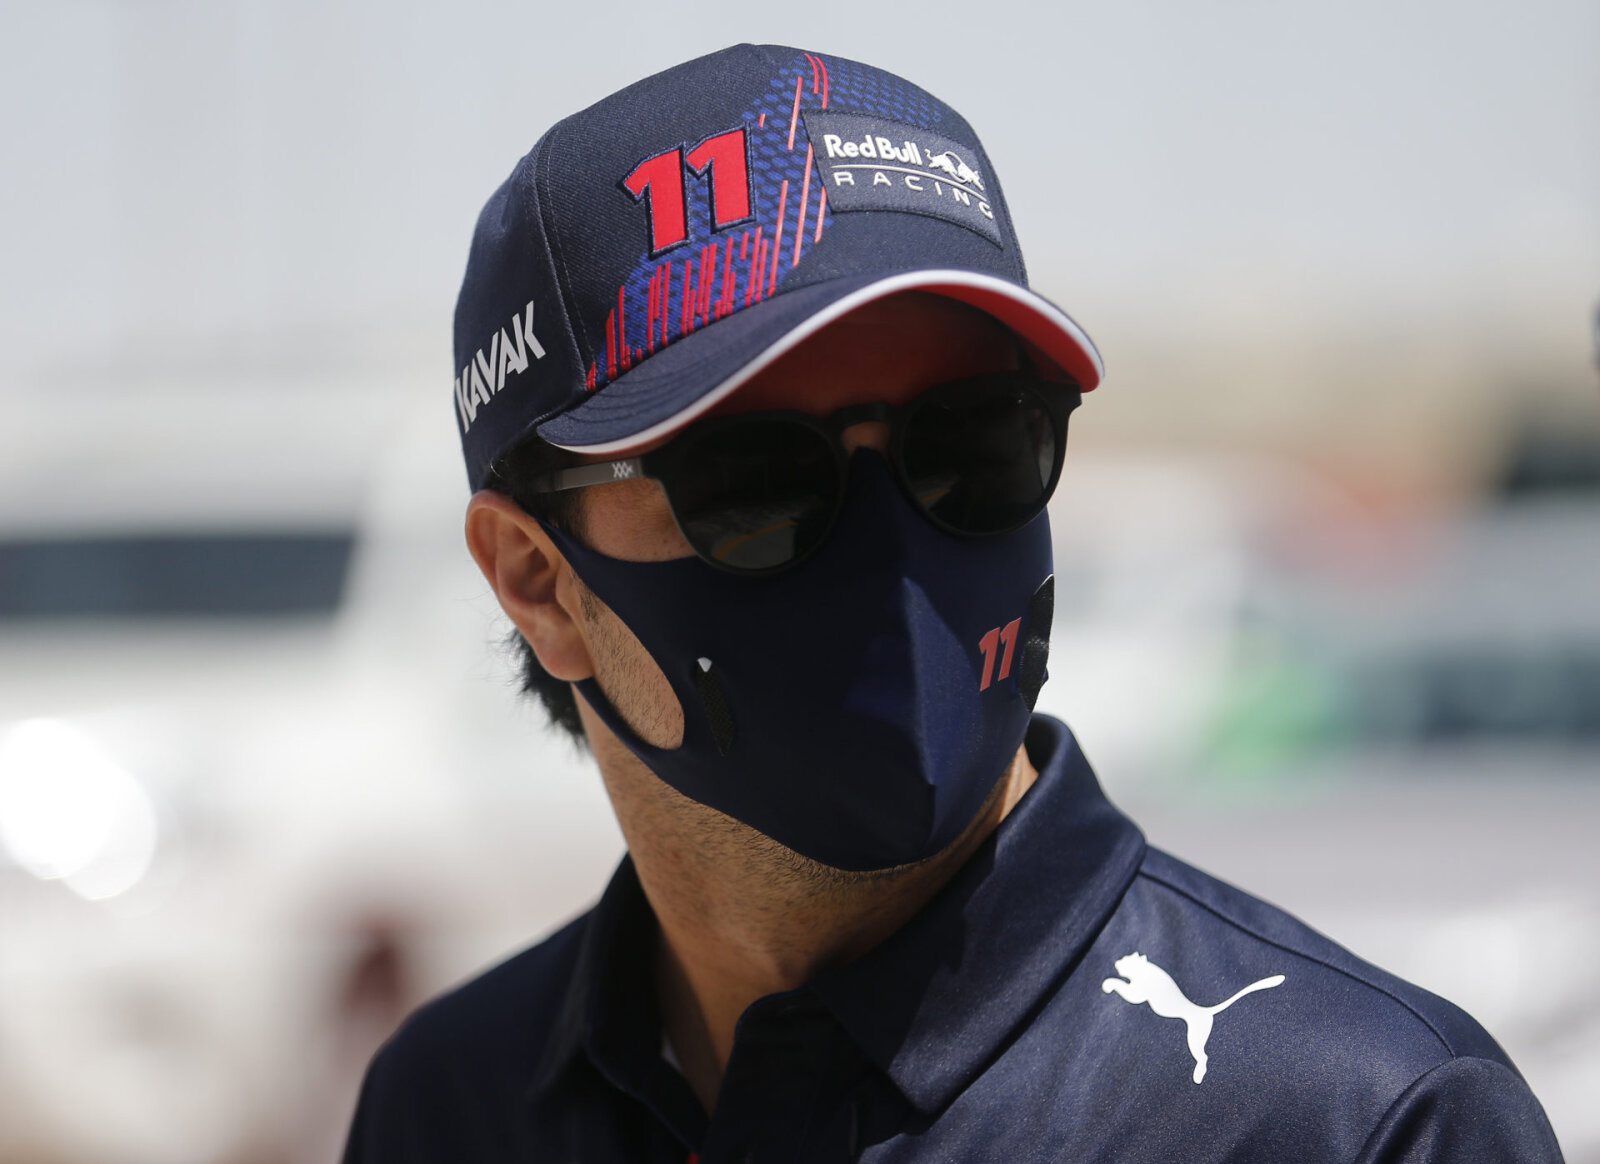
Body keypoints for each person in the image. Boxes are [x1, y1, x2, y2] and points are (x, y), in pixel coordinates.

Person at [342, 44, 1564, 1162]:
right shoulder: (452, 1104)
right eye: (757, 481)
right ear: (536, 581)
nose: (893, 549)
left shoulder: (1353, 1120)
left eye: (974, 444)